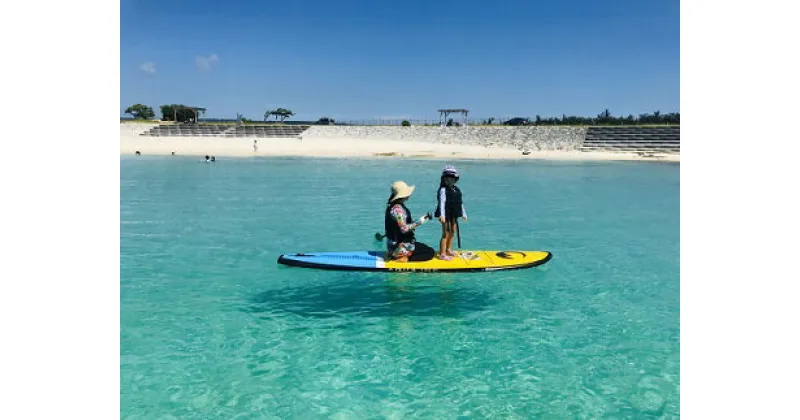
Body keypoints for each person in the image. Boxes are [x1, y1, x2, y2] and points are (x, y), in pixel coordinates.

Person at [384, 181, 435, 262]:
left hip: (392, 246)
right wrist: (421, 221)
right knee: (430, 252)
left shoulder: (391, 206)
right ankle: (405, 258)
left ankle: (398, 255)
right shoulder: (398, 210)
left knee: (424, 248)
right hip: (399, 248)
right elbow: (404, 229)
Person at [434, 165, 467, 260]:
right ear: (444, 179)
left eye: (452, 178)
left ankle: (448, 249)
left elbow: (460, 202)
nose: (450, 180)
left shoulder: (457, 190)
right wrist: (442, 215)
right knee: (445, 233)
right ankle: (442, 254)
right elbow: (442, 203)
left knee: (452, 231)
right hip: (445, 214)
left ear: (455, 179)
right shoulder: (443, 190)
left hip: (454, 214)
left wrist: (464, 213)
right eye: (447, 178)